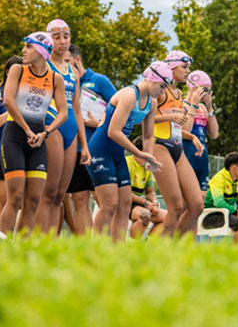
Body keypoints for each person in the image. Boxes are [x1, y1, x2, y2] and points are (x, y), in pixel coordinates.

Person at [88, 62, 167, 242]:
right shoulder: (129, 95)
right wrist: (139, 154)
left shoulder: (152, 102)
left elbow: (148, 135)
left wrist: (149, 159)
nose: (162, 92)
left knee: (124, 205)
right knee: (109, 205)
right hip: (100, 150)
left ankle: (118, 248)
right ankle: (94, 248)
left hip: (117, 153)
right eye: (161, 86)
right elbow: (113, 131)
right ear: (151, 79)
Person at [0, 32, 67, 234]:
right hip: (15, 136)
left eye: (28, 47)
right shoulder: (17, 70)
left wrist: (46, 132)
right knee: (16, 197)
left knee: (34, 199)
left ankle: (22, 249)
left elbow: (63, 112)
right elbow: (8, 101)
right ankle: (3, 246)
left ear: (41, 50)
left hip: (39, 139)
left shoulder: (55, 78)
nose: (23, 51)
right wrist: (28, 130)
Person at [35, 19, 91, 234]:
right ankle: (39, 239)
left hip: (71, 132)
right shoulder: (42, 65)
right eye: (57, 37)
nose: (62, 41)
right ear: (49, 39)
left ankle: (52, 240)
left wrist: (84, 145)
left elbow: (77, 110)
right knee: (48, 192)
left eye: (66, 37)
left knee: (60, 194)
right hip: (51, 126)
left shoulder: (72, 71)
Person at [64, 43, 116, 235]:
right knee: (79, 199)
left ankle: (105, 244)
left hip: (98, 149)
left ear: (77, 59)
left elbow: (119, 108)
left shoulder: (99, 80)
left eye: (68, 61)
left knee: (104, 200)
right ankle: (86, 245)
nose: (65, 65)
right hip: (74, 149)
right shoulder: (64, 80)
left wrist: (100, 122)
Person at [155, 50, 205, 237]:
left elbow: (185, 125)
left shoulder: (177, 93)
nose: (187, 71)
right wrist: (171, 116)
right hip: (159, 145)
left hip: (177, 147)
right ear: (171, 67)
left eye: (188, 67)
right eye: (184, 67)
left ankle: (173, 247)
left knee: (196, 205)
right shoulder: (160, 90)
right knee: (176, 208)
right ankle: (154, 250)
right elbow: (145, 119)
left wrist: (192, 136)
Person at [0, 56, 22, 230]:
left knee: (18, 200)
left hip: (20, 151)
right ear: (8, 72)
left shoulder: (26, 95)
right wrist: (10, 110)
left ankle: (12, 238)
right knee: (2, 200)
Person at [182, 70, 218, 197]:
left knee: (200, 200)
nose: (207, 94)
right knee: (186, 200)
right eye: (204, 90)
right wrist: (193, 105)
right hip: (186, 155)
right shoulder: (182, 105)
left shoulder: (203, 108)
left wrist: (210, 109)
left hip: (201, 158)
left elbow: (214, 134)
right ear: (193, 87)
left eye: (209, 91)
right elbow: (184, 131)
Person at [127, 137, 167, 239]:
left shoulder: (147, 166)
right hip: (125, 203)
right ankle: (133, 248)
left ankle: (148, 247)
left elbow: (150, 192)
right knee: (145, 215)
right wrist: (146, 203)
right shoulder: (128, 163)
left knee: (168, 217)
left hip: (140, 204)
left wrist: (154, 202)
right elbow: (125, 193)